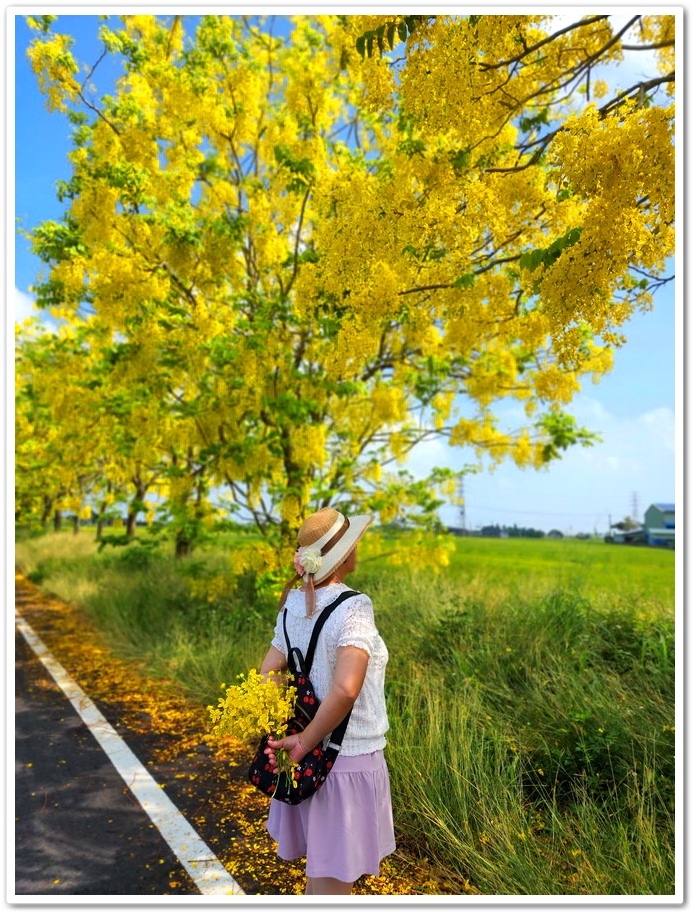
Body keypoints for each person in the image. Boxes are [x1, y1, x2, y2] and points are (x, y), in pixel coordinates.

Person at [259, 506, 396, 895]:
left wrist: (293, 729)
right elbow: (346, 689)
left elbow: (268, 671)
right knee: (333, 890)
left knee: (320, 881)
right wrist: (304, 742)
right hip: (344, 761)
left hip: (304, 760)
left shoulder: (292, 606)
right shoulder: (354, 606)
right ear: (344, 556)